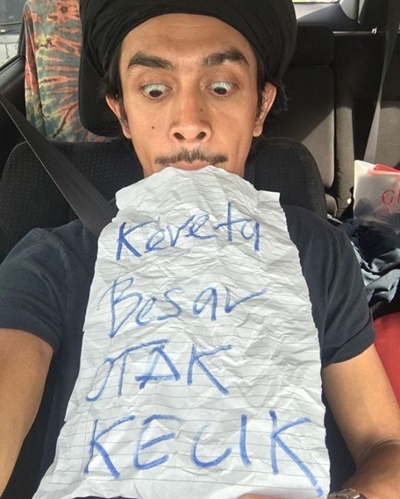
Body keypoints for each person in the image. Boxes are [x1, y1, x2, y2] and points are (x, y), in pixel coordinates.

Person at [0, 0, 400, 498]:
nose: (189, 123)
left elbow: (385, 442)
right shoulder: (50, 262)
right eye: (154, 90)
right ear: (122, 112)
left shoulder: (315, 248)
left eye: (221, 87)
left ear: (260, 107)